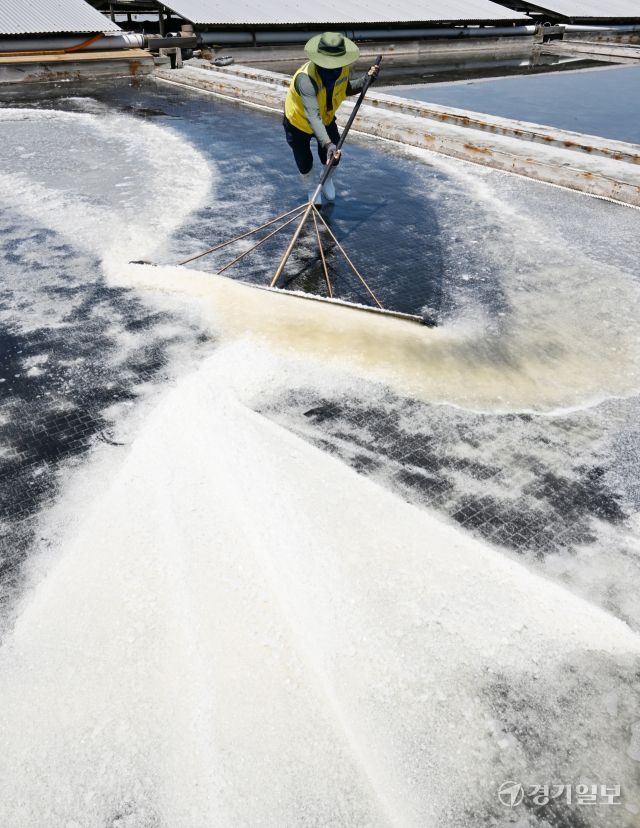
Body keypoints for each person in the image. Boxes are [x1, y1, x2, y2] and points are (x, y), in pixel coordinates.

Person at [283, 32, 379, 205]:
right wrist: (327, 143)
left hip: (326, 119)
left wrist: (366, 80)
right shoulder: (305, 79)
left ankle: (325, 177)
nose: (334, 68)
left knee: (334, 155)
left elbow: (346, 88)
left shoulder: (342, 68)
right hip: (299, 122)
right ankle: (311, 187)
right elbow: (313, 115)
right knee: (304, 159)